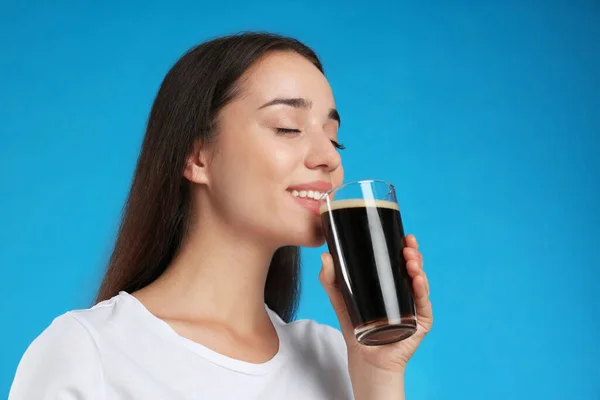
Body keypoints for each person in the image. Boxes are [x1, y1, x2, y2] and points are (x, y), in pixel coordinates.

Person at [9, 32, 433, 399]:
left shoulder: (335, 356)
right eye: (288, 127)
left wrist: (379, 374)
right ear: (197, 157)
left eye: (334, 139)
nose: (328, 159)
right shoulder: (89, 352)